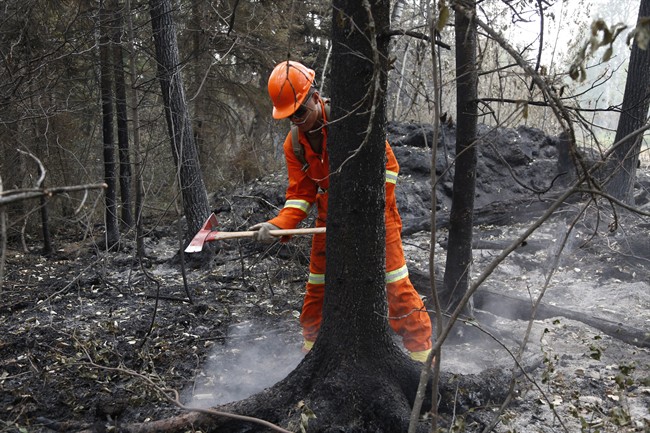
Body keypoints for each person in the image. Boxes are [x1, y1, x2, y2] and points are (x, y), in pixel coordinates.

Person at [250, 60, 432, 363]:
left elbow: (389, 169)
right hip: (329, 218)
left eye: (299, 113)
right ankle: (311, 360)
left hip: (377, 217)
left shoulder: (351, 124)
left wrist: (363, 214)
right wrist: (277, 225)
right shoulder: (293, 144)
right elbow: (300, 194)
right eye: (289, 117)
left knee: (396, 289)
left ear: (314, 97)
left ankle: (424, 362)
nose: (296, 122)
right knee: (317, 290)